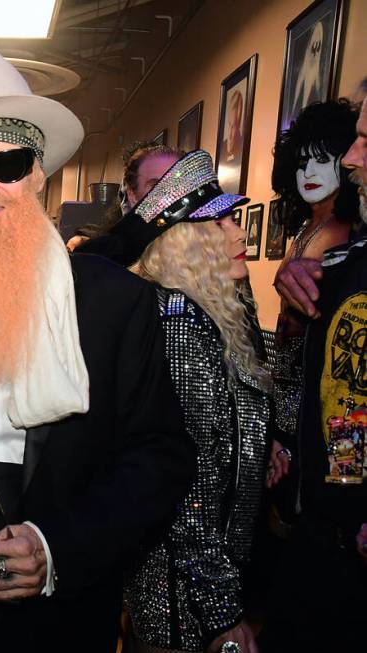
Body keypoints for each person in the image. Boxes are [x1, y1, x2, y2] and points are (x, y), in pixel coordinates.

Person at [0, 50, 194, 653]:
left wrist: (57, 550)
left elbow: (161, 459)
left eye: (7, 162)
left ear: (38, 173)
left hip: (56, 622)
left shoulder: (116, 305)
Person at [119, 150, 271, 653]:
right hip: (183, 601)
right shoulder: (181, 323)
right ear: (188, 240)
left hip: (198, 587)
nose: (238, 234)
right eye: (222, 222)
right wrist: (223, 610)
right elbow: (188, 487)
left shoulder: (209, 310)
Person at [259, 87, 367, 653]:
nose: (346, 162)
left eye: (346, 151)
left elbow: (346, 391)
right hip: (326, 472)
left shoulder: (342, 242)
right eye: (302, 160)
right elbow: (349, 399)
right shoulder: (322, 239)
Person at [268, 100, 359, 450]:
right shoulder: (308, 224)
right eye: (302, 162)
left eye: (322, 160)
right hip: (288, 387)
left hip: (321, 395)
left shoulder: (350, 231)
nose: (308, 173)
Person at [74, 142, 180, 264]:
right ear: (131, 193)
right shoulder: (99, 258)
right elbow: (113, 229)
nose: (169, 195)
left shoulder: (198, 247)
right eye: (156, 185)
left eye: (176, 185)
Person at [223, 89, 244, 163]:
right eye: (229, 125)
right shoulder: (223, 145)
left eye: (233, 127)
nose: (230, 134)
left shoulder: (242, 146)